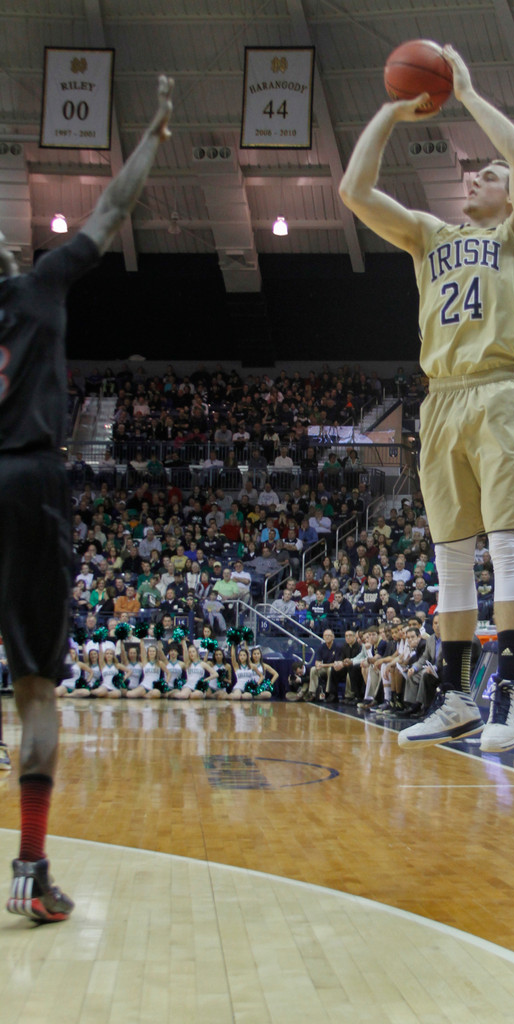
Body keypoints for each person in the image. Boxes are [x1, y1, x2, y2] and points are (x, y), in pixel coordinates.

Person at [340, 47, 514, 753]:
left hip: (499, 391)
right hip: (441, 398)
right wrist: (392, 111)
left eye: (485, 176)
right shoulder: (429, 236)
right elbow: (354, 191)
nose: (477, 176)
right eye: (472, 172)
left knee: (506, 546)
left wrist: (464, 89)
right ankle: (455, 696)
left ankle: (508, 698)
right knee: (451, 558)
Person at [1, 74, 174, 922]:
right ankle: (29, 871)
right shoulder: (37, 287)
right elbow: (111, 207)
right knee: (36, 694)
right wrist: (155, 130)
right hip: (27, 481)